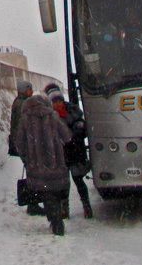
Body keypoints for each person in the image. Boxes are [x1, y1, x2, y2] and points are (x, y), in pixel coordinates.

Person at [13, 90, 72, 236]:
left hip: (37, 168)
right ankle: (57, 220)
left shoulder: (25, 119)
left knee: (46, 193)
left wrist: (28, 158)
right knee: (55, 192)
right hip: (55, 164)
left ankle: (53, 219)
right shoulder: (53, 116)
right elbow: (66, 136)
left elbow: (19, 143)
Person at [45, 83, 93, 219]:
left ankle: (86, 206)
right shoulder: (49, 116)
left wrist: (78, 131)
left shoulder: (73, 111)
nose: (58, 104)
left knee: (78, 181)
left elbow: (83, 130)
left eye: (59, 100)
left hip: (75, 152)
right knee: (64, 184)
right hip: (61, 155)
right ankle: (64, 208)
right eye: (54, 101)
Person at [9, 80, 33, 157]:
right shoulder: (21, 103)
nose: (32, 91)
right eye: (30, 90)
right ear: (24, 90)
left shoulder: (21, 101)